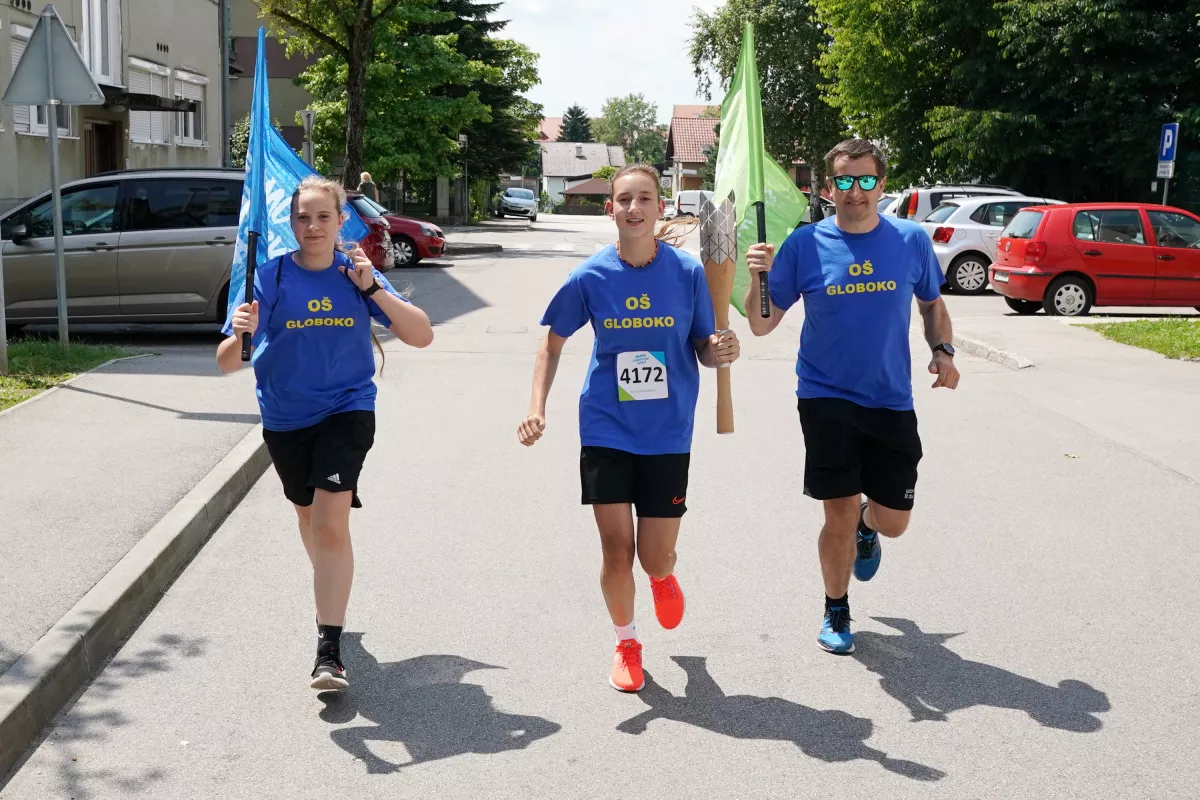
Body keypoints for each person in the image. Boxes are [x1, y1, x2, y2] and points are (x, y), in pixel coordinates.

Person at [517, 164, 741, 693]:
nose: (633, 208)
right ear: (609, 209)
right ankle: (627, 642)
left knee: (652, 554)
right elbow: (551, 343)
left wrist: (720, 349)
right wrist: (536, 406)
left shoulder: (688, 273)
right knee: (616, 551)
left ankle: (662, 576)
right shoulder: (590, 277)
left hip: (667, 433)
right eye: (624, 200)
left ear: (660, 207)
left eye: (644, 198)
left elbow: (705, 349)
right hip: (606, 427)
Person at [217, 175, 434, 690]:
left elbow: (421, 335)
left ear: (341, 221)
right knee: (310, 518)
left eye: (322, 216)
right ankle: (331, 582)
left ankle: (329, 650)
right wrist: (243, 332)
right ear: (289, 223)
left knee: (331, 524)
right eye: (302, 217)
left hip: (347, 409)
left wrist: (372, 285)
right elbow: (227, 363)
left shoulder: (355, 274)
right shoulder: (268, 277)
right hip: (286, 417)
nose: (312, 226)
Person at [744, 138, 960, 655]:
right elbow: (760, 324)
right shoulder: (804, 245)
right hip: (825, 397)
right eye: (844, 181)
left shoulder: (909, 241)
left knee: (894, 522)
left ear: (881, 186)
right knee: (834, 514)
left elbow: (932, 304)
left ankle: (870, 524)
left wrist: (943, 350)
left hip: (890, 399)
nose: (855, 191)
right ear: (828, 188)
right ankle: (836, 607)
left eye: (865, 180)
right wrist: (759, 278)